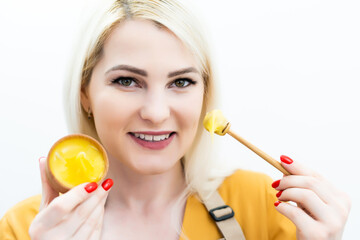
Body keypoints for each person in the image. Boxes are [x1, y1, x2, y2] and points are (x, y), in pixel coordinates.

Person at [0, 0, 351, 239]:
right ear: (85, 93)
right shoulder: (23, 228)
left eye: (181, 82)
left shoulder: (267, 204)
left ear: (204, 94)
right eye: (127, 81)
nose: (155, 112)